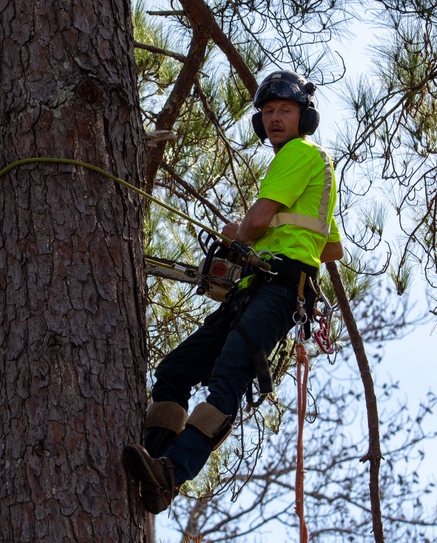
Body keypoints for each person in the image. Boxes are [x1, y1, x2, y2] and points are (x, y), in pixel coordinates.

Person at [123, 70, 344, 514]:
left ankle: (171, 473)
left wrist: (242, 232)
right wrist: (261, 236)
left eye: (285, 110)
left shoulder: (300, 153)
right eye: (268, 112)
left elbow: (259, 222)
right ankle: (151, 462)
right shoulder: (310, 168)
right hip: (258, 287)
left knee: (228, 379)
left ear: (305, 117)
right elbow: (333, 247)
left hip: (280, 289)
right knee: (177, 370)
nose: (276, 118)